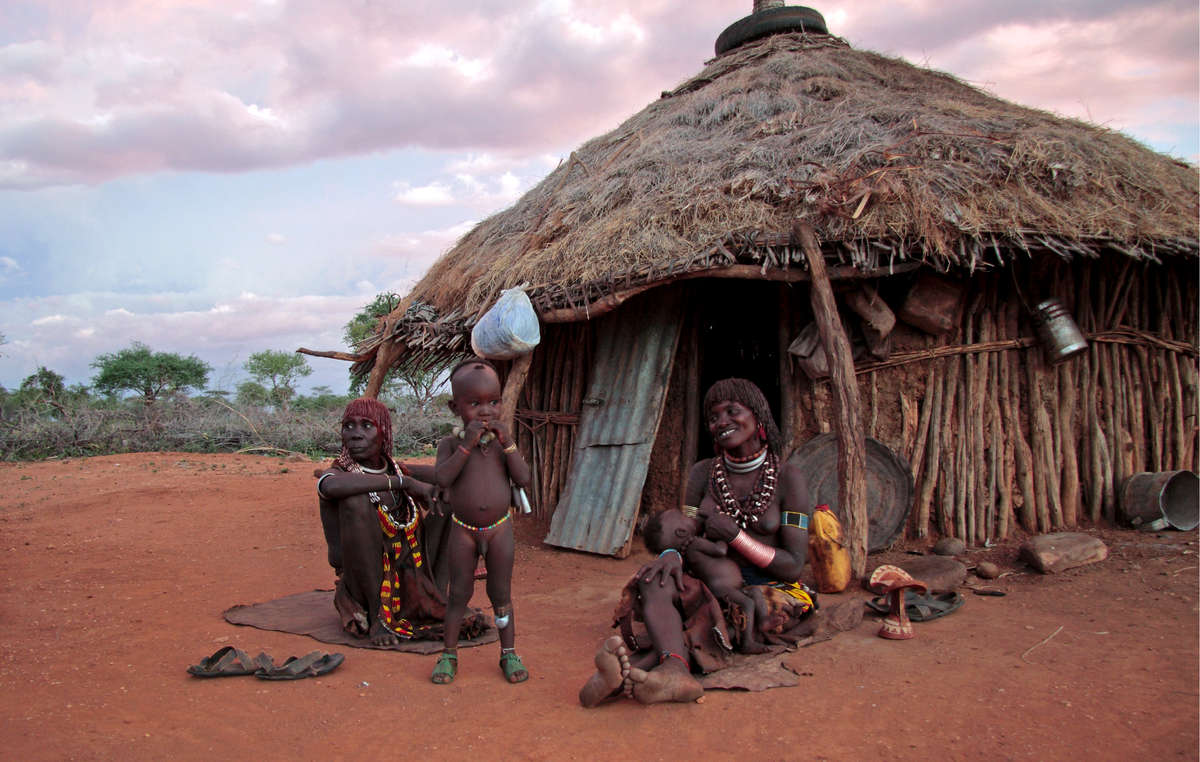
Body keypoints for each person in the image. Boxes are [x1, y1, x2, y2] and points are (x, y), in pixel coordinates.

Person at [579, 378, 818, 707]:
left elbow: (792, 566)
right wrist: (669, 555)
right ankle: (675, 669)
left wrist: (736, 536)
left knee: (728, 617)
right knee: (655, 579)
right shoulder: (703, 473)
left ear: (759, 414)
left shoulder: (789, 478)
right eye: (714, 416)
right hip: (710, 578)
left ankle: (631, 672)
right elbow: (683, 530)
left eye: (732, 411)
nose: (722, 422)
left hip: (769, 589)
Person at [317, 397, 485, 647]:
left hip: (412, 572)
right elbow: (329, 486)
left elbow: (450, 475)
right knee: (356, 502)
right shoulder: (339, 474)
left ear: (383, 432)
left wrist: (468, 443)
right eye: (348, 426)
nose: (355, 434)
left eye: (366, 425)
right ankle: (379, 617)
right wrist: (404, 484)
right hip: (363, 584)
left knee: (450, 498)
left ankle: (436, 595)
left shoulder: (397, 468)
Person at [430, 358, 533, 685]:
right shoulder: (450, 444)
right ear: (455, 407)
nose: (486, 411)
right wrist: (466, 445)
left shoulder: (505, 445)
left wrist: (508, 444)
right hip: (463, 531)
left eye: (493, 401)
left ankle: (508, 653)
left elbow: (524, 477)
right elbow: (443, 478)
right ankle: (448, 654)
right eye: (475, 404)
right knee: (458, 593)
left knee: (501, 594)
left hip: (500, 529)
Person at [642, 508, 770, 654]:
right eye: (685, 516)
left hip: (731, 584)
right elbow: (720, 550)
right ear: (681, 532)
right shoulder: (695, 544)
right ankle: (747, 642)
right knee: (748, 603)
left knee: (755, 593)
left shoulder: (690, 548)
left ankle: (763, 621)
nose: (692, 516)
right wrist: (724, 534)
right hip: (722, 587)